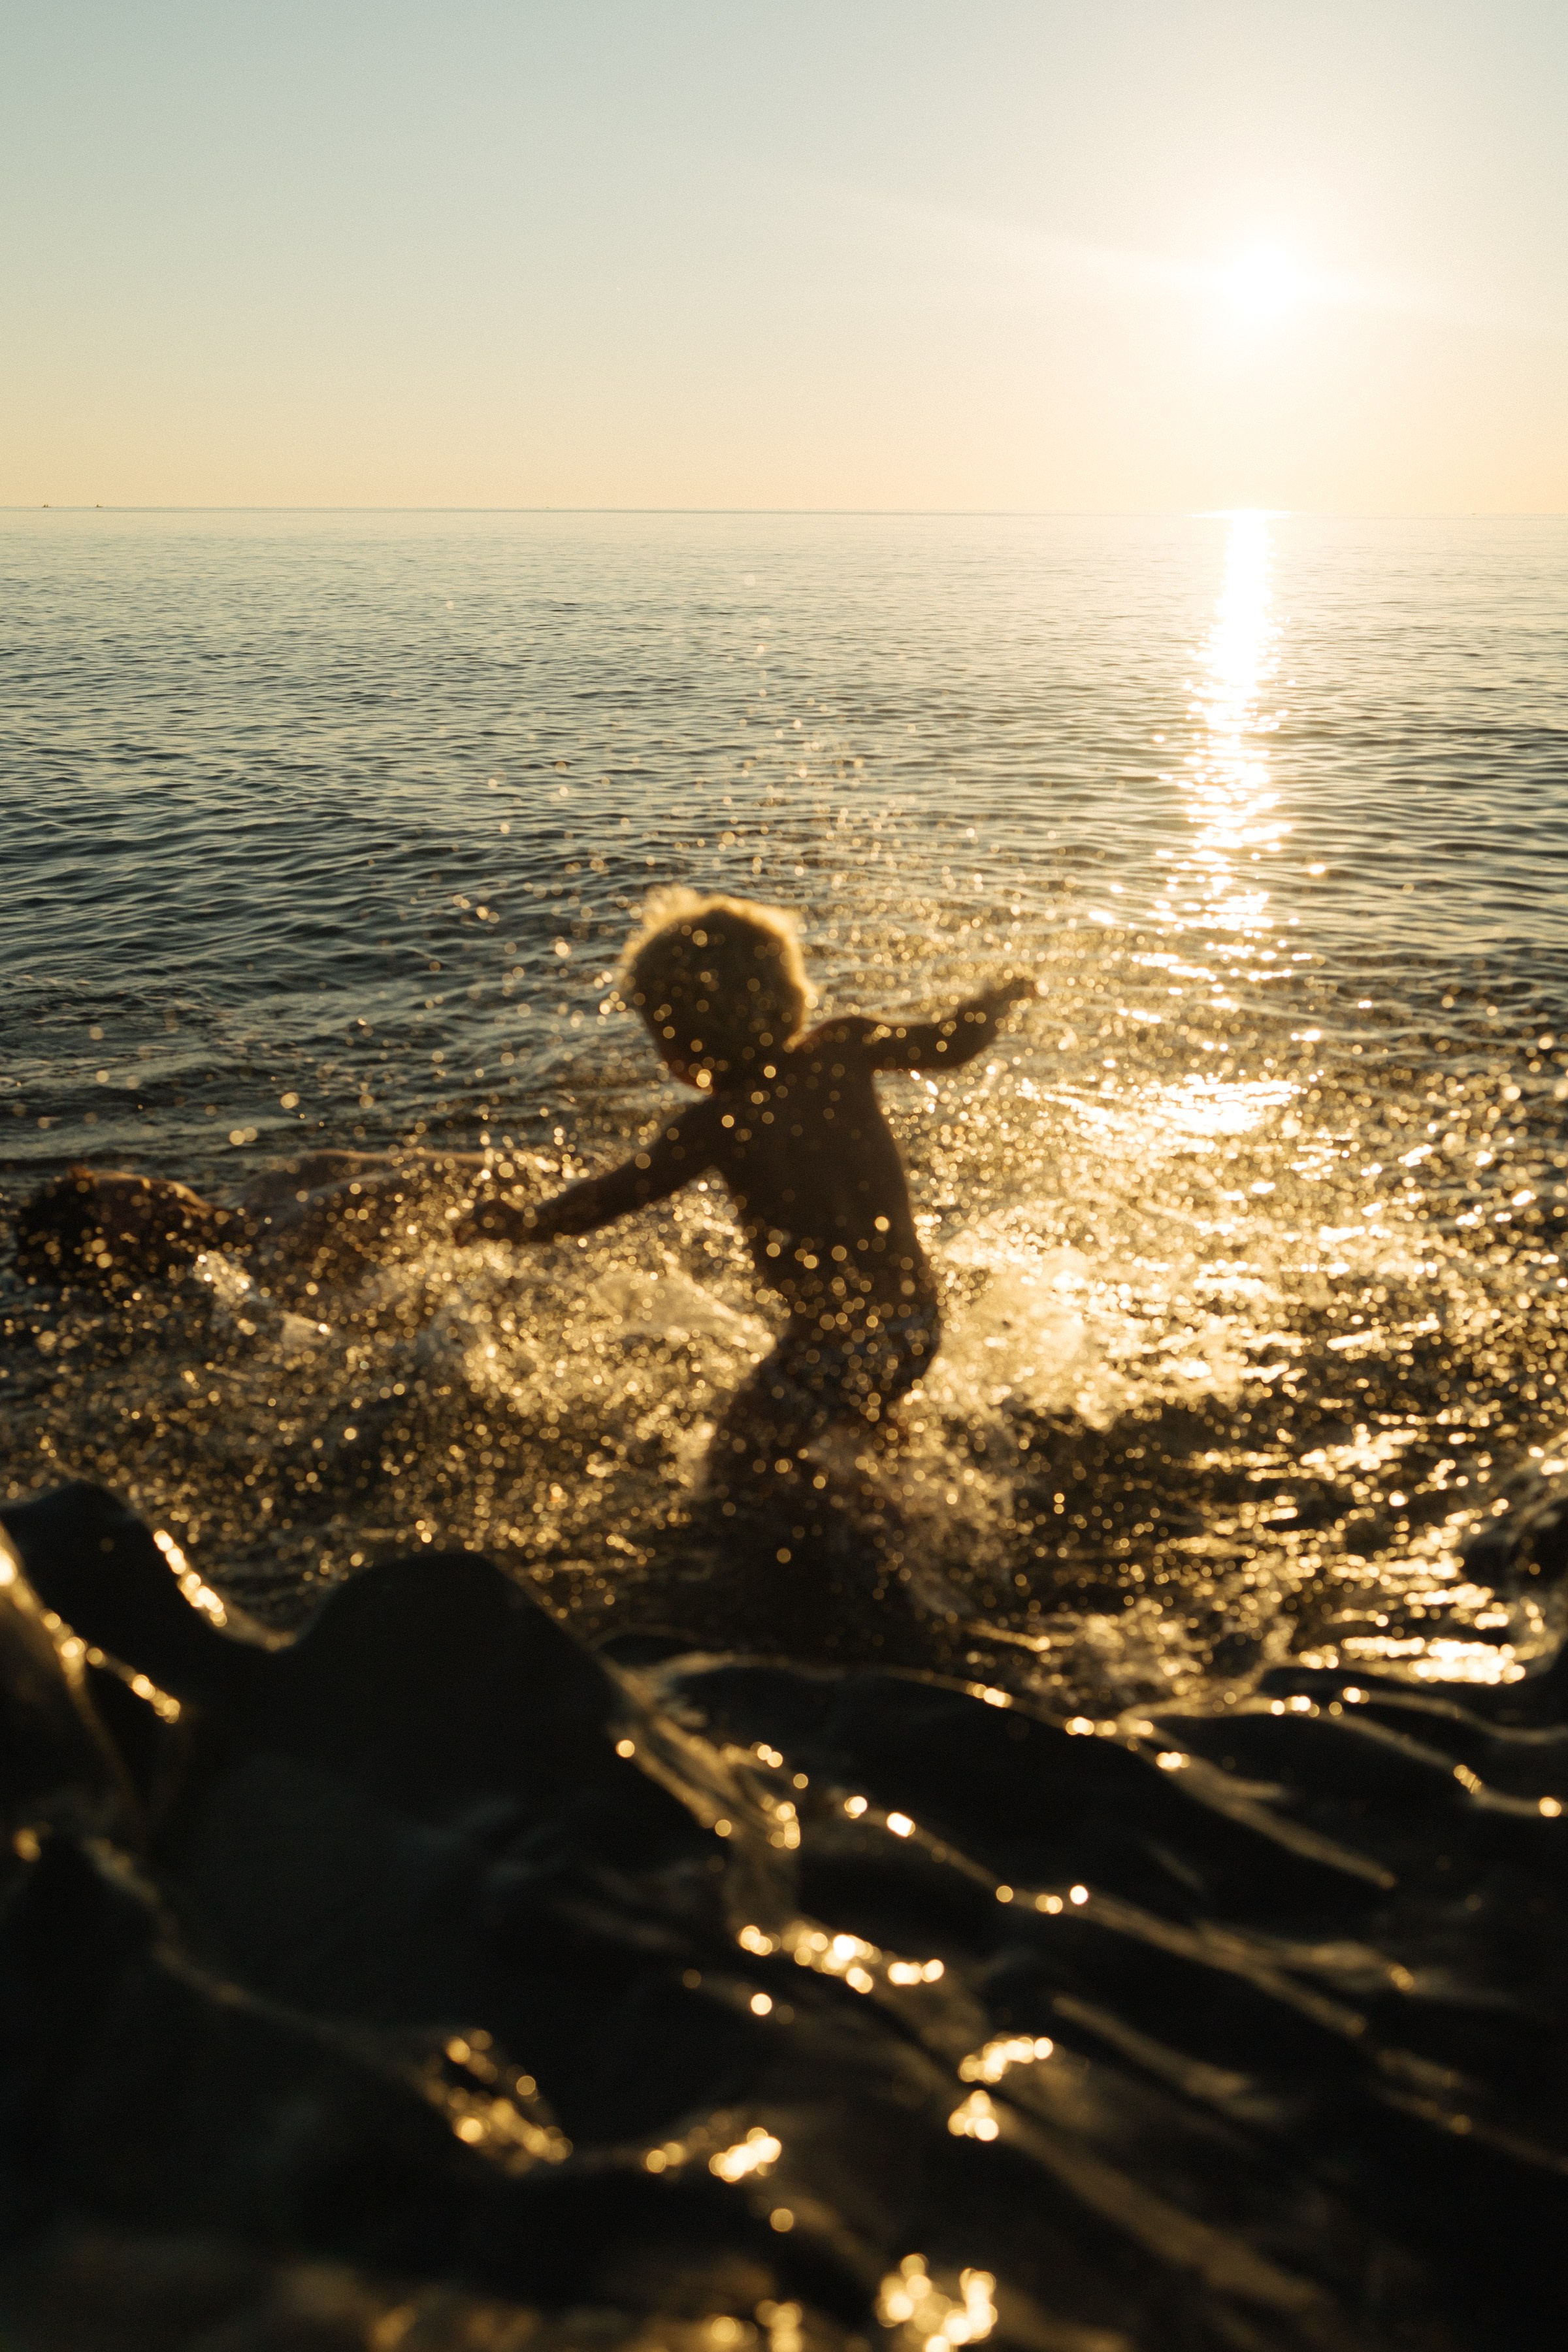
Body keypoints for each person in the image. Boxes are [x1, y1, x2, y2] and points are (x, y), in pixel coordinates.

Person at [457, 890, 1035, 1507]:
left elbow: (611, 1196)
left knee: (732, 1466)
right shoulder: (845, 1047)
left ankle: (847, 1521)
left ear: (681, 1052)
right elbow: (950, 1044)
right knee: (859, 1409)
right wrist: (994, 1003)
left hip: (832, 1351)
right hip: (917, 1325)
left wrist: (524, 1223)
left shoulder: (716, 1125)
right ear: (791, 995)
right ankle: (894, 1482)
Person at [10, 1150, 479, 1298]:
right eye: (157, 1221)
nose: (164, 1195)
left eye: (147, 1190)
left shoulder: (272, 1190)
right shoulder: (273, 1259)